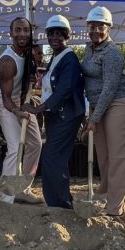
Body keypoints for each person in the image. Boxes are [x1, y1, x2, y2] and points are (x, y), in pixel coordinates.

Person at [22, 15, 85, 209]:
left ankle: (61, 205)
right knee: (56, 159)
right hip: (56, 116)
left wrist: (38, 109)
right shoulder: (56, 58)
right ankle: (58, 202)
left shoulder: (70, 58)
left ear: (67, 36)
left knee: (51, 157)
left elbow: (64, 90)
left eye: (60, 34)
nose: (55, 38)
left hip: (66, 116)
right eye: (51, 34)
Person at [81, 6, 125, 216]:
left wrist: (93, 118)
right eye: (92, 26)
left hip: (118, 103)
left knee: (118, 157)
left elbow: (110, 88)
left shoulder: (112, 52)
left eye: (100, 26)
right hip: (98, 106)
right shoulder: (89, 49)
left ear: (109, 28)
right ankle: (106, 197)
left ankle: (116, 209)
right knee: (103, 156)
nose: (95, 31)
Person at [0, 17, 43, 204]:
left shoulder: (28, 55)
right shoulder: (8, 61)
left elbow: (25, 82)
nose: (22, 34)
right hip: (6, 104)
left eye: (26, 30)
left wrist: (27, 95)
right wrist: (17, 112)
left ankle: (23, 189)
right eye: (18, 30)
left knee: (35, 144)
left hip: (22, 101)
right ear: (11, 33)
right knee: (15, 148)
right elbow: (6, 98)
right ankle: (6, 198)